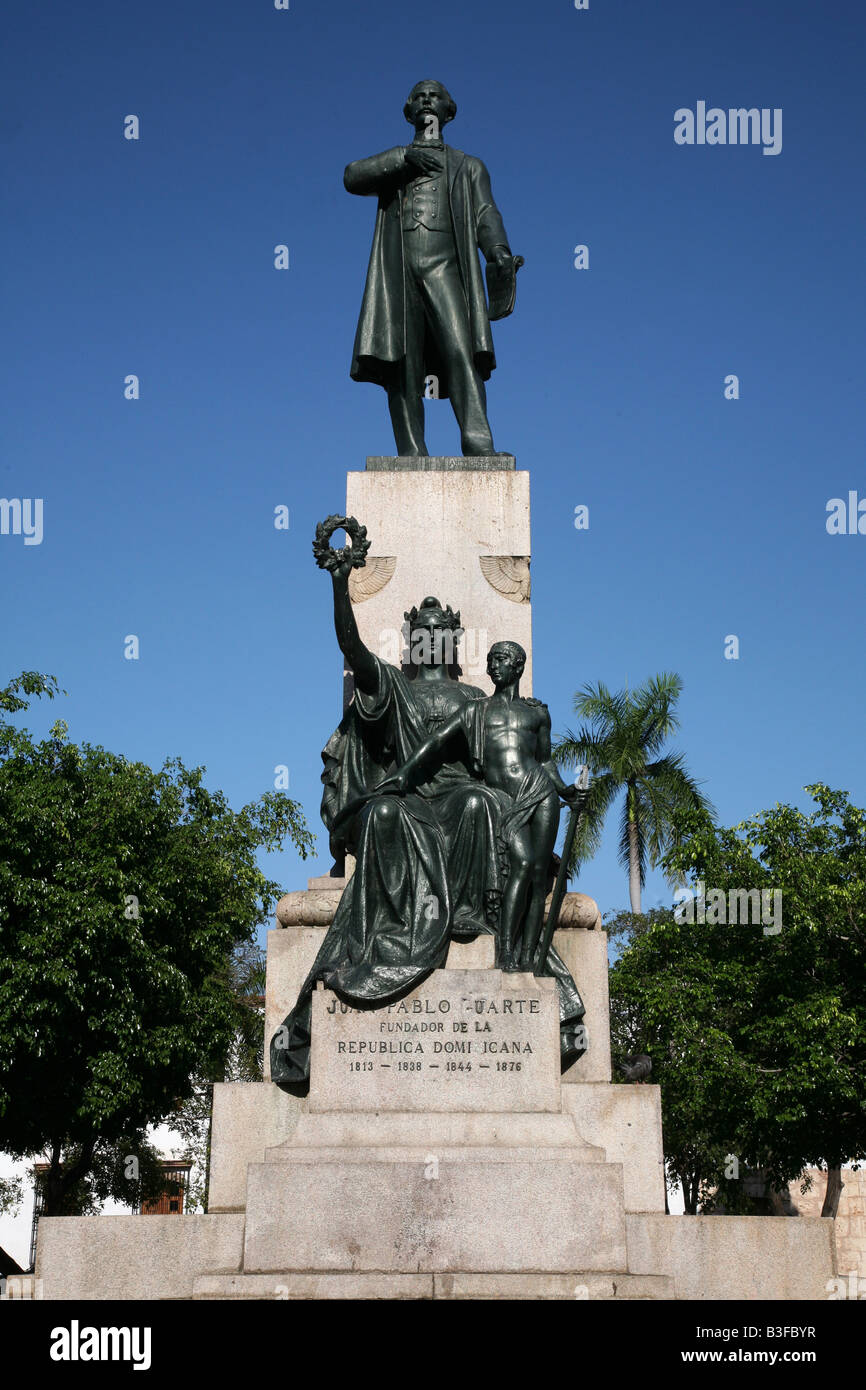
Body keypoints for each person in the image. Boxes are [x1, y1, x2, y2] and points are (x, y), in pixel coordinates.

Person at [378, 641, 583, 972]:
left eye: (501, 659)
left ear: (518, 667)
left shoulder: (537, 712)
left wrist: (566, 791)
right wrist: (404, 774)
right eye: (490, 660)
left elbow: (545, 762)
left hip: (539, 792)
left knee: (536, 875)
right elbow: (435, 741)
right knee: (522, 864)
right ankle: (504, 949)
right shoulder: (475, 709)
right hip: (501, 797)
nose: (494, 665)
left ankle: (529, 955)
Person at [344, 79, 514, 456]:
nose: (426, 100)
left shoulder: (468, 166)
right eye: (419, 96)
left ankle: (478, 445)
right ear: (408, 110)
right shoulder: (396, 163)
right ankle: (411, 451)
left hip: (445, 267)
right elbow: (352, 176)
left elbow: (486, 212)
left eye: (434, 96)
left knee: (459, 350)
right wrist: (403, 159)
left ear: (448, 111)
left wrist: (497, 251)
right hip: (398, 269)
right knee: (402, 363)